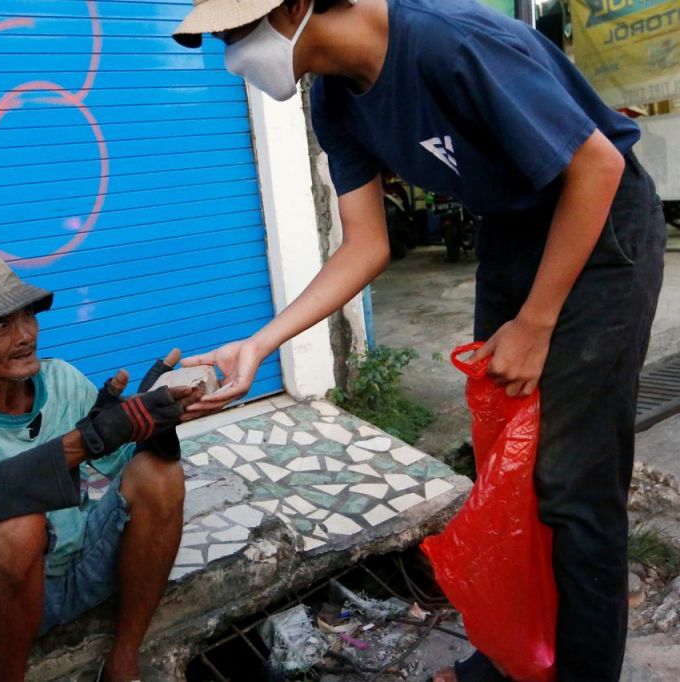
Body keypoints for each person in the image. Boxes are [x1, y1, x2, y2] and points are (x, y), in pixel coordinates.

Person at [171, 1, 667, 680]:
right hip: (512, 236)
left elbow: (598, 167)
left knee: (574, 485)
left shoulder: (450, 44)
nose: (233, 57)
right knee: (504, 469)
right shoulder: (336, 104)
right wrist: (262, 342)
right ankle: (511, 654)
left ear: (294, 7)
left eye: (236, 32)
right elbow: (365, 244)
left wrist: (536, 323)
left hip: (599, 226)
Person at [0, 241, 203, 682]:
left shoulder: (59, 378)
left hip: (80, 568)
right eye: (1, 324)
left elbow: (127, 467)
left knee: (160, 474)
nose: (26, 335)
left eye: (26, 315)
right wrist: (87, 440)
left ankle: (123, 659)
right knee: (17, 527)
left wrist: (150, 421)